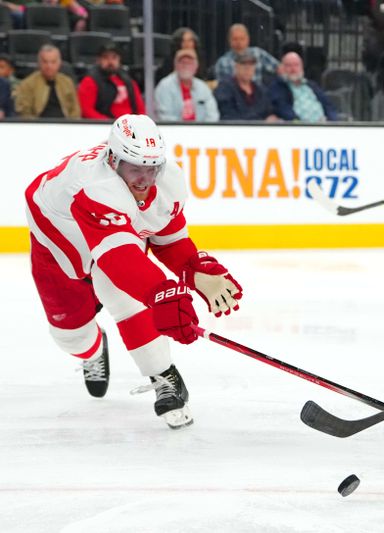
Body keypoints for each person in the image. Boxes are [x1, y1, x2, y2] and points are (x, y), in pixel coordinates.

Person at [24, 114, 244, 429]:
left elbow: (168, 242)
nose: (144, 180)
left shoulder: (169, 180)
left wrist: (196, 271)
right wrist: (163, 294)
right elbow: (120, 259)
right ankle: (94, 348)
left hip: (108, 237)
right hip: (59, 241)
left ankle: (164, 375)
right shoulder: (95, 186)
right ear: (112, 160)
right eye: (135, 169)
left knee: (120, 292)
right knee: (71, 336)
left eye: (152, 168)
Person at [78, 43, 146, 119]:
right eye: (105, 57)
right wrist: (107, 123)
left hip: (130, 126)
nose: (110, 62)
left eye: (114, 58)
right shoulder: (90, 81)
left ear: (119, 60)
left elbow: (140, 109)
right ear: (98, 60)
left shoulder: (128, 81)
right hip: (104, 126)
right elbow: (86, 110)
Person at [15, 44, 80, 119]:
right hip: (38, 126)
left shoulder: (67, 82)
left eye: (53, 62)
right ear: (39, 63)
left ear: (59, 63)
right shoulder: (27, 84)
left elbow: (75, 111)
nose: (49, 66)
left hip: (65, 126)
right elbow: (24, 112)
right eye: (45, 62)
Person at [268, 51, 337, 122]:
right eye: (289, 65)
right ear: (282, 68)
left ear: (302, 67)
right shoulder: (278, 87)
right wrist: (300, 124)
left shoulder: (312, 85)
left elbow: (329, 106)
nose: (293, 69)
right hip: (298, 128)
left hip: (324, 126)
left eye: (296, 65)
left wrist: (331, 122)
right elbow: (283, 108)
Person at [154, 48, 219, 122]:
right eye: (182, 62)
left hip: (201, 131)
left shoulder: (203, 88)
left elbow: (213, 116)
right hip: (172, 131)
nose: (186, 66)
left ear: (196, 67)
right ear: (175, 66)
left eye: (190, 63)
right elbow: (164, 117)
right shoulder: (164, 86)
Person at [214, 51, 278, 121]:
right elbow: (228, 116)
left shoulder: (260, 90)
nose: (247, 69)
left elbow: (269, 111)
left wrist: (272, 117)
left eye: (251, 65)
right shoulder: (224, 88)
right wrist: (260, 120)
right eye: (243, 65)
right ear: (236, 67)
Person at [213, 23, 279, 85]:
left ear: (248, 39)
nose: (239, 43)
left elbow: (279, 69)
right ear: (229, 41)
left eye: (242, 39)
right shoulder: (222, 63)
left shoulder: (258, 53)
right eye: (235, 39)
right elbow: (223, 88)